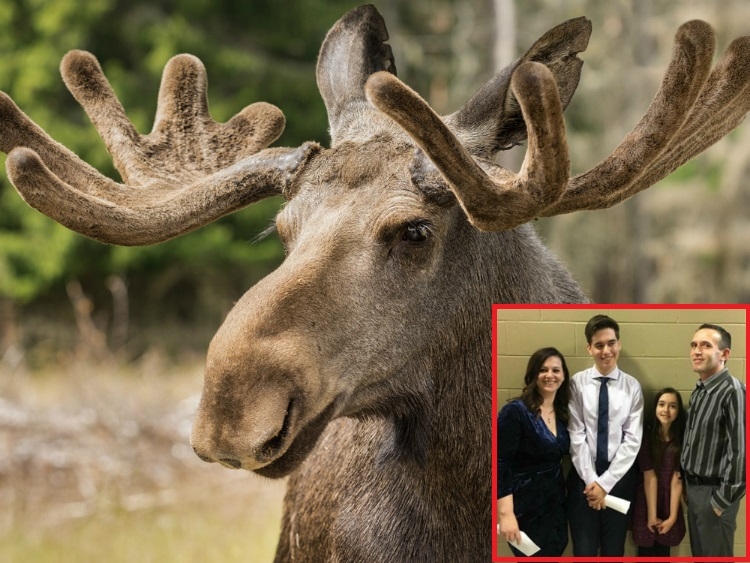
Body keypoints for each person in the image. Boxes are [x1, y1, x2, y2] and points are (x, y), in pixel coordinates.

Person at [566, 314, 643, 557]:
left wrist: (606, 483)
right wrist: (592, 481)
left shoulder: (632, 387)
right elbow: (575, 434)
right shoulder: (576, 384)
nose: (606, 351)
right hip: (583, 478)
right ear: (589, 348)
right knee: (584, 550)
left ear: (619, 344)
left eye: (611, 343)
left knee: (614, 550)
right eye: (599, 345)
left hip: (619, 478)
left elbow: (632, 440)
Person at [496, 347, 571, 557]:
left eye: (556, 370)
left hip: (555, 507)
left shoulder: (563, 414)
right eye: (543, 370)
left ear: (564, 376)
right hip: (525, 509)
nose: (550, 375)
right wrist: (506, 514)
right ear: (533, 375)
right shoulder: (516, 411)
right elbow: (500, 462)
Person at [681, 323, 746, 557]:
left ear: (725, 354)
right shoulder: (700, 390)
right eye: (694, 345)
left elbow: (741, 453)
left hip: (715, 494)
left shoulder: (734, 391)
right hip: (695, 491)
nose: (697, 351)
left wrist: (720, 502)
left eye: (706, 346)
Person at [631, 387, 687, 556]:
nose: (666, 410)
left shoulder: (682, 439)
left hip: (670, 500)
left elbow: (677, 479)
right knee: (645, 550)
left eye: (672, 406)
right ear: (655, 407)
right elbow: (650, 478)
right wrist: (651, 516)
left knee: (664, 550)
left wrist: (672, 518)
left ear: (678, 411)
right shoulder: (645, 436)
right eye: (662, 404)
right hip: (647, 499)